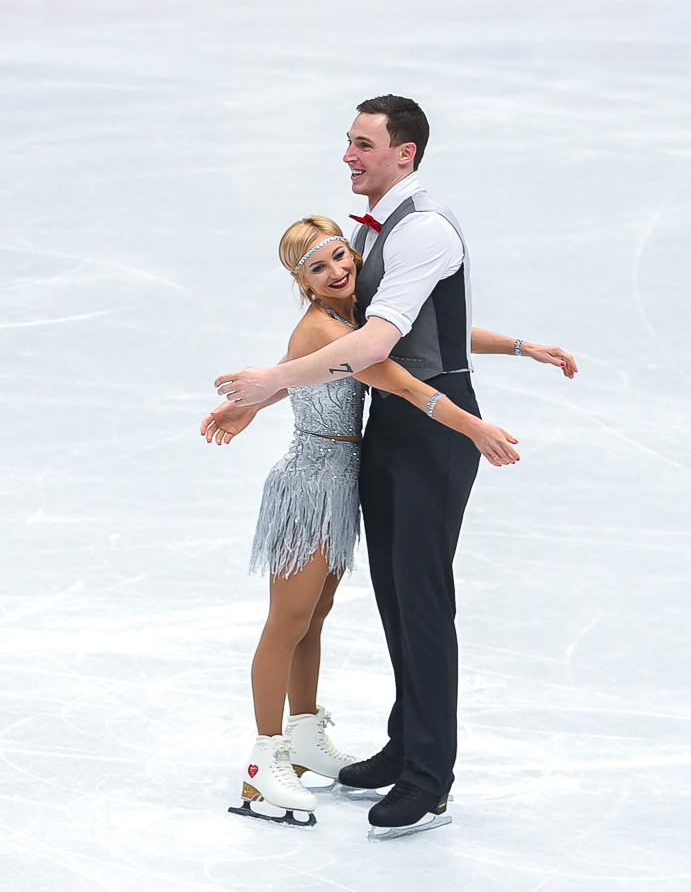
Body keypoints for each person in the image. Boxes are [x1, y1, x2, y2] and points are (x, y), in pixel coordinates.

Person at [213, 95, 578, 839]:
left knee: (422, 600)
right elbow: (393, 332)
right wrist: (266, 396)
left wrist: (271, 381)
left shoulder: (424, 229)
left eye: (363, 143)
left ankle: (428, 777)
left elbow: (380, 348)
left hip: (434, 422)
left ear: (404, 153)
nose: (348, 155)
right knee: (395, 598)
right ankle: (405, 743)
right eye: (347, 141)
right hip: (388, 428)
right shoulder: (367, 236)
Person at [202, 215, 522, 828]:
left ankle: (302, 735)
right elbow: (404, 384)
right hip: (308, 485)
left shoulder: (354, 320)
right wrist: (474, 427)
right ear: (302, 281)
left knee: (314, 617)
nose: (337, 271)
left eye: (340, 256)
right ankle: (263, 761)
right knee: (288, 621)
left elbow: (430, 340)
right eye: (317, 268)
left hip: (341, 482)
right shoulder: (325, 327)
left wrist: (519, 347)